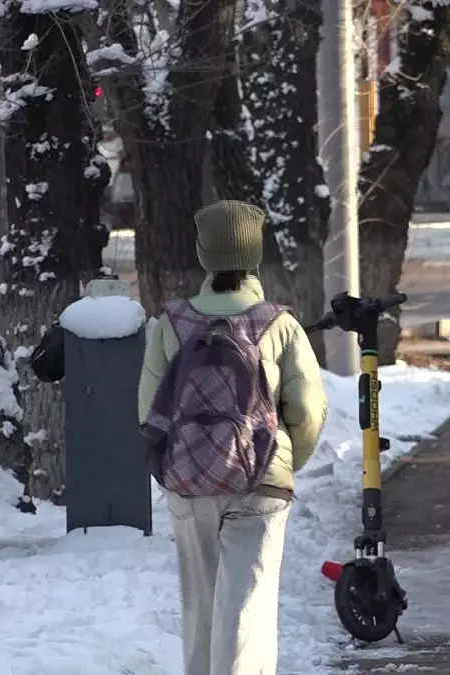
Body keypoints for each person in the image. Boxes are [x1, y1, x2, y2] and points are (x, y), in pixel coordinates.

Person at [138, 200, 328, 675]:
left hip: (188, 483)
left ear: (204, 255)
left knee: (201, 606)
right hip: (260, 483)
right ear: (255, 254)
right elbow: (306, 411)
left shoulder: (171, 323)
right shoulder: (279, 324)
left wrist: (173, 466)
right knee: (248, 608)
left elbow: (147, 411)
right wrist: (284, 461)